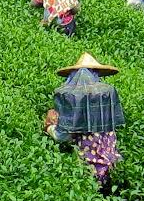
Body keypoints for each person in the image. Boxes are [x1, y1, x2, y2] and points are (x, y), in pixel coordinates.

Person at [43, 53, 124, 187]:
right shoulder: (106, 95)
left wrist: (49, 127)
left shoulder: (71, 98)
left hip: (87, 171)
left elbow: (62, 136)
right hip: (113, 166)